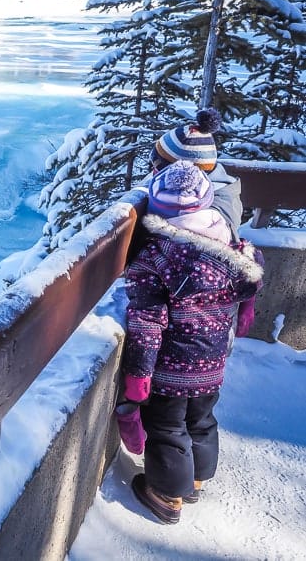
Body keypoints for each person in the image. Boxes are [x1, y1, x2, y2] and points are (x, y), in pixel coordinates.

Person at [120, 159, 264, 525]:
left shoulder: (155, 258)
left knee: (167, 427)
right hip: (214, 360)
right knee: (201, 419)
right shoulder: (229, 245)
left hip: (171, 366)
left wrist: (138, 376)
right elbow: (250, 279)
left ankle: (168, 495)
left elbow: (147, 325)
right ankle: (195, 480)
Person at [150, 107, 243, 243]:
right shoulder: (223, 186)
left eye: (156, 163)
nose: (153, 169)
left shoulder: (200, 207)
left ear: (180, 175)